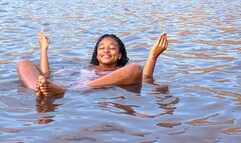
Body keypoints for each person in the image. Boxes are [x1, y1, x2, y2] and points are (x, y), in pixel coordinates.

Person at [17, 29, 168, 98]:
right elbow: (46, 75)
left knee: (135, 68)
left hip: (76, 90)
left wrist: (153, 55)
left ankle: (61, 91)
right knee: (24, 63)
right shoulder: (87, 68)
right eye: (101, 48)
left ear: (120, 54)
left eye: (112, 48)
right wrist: (44, 49)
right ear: (96, 54)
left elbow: (145, 78)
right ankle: (37, 89)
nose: (106, 51)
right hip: (65, 86)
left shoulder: (121, 70)